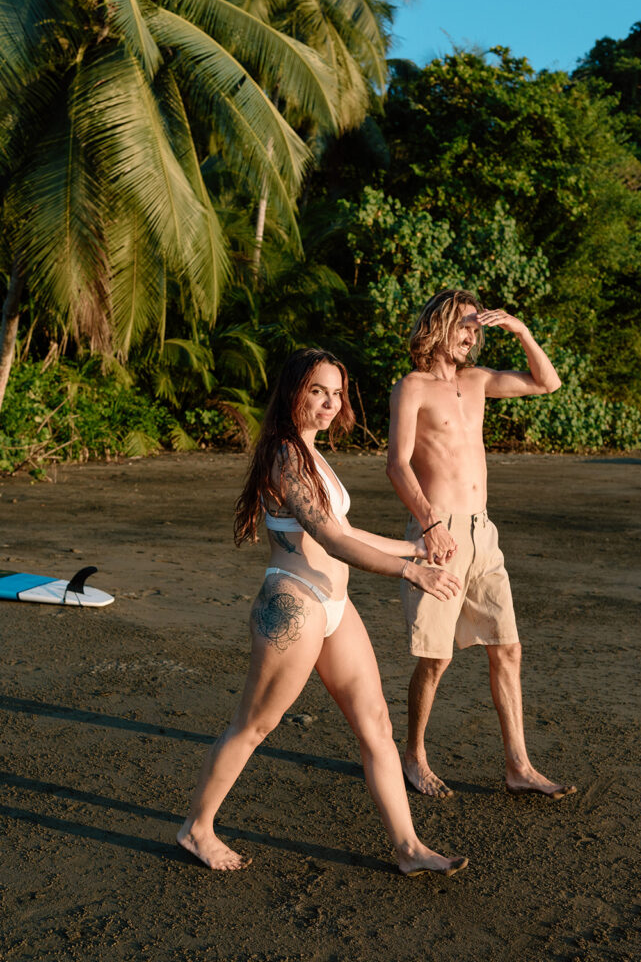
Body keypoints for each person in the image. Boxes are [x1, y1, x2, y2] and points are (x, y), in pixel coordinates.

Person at [177, 348, 468, 875]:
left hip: (334, 606)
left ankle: (408, 848)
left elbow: (346, 529)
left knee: (376, 722)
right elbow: (330, 538)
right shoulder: (285, 456)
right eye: (318, 391)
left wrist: (417, 547)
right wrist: (412, 571)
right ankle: (197, 828)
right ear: (294, 392)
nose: (331, 403)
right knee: (254, 726)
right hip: (294, 604)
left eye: (337, 392)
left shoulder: (311, 454)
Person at [387, 290, 577, 801]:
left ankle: (519, 766)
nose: (472, 336)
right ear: (436, 326)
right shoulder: (413, 388)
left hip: (482, 533)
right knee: (436, 658)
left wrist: (522, 332)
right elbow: (397, 464)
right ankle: (414, 756)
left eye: (477, 328)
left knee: (508, 648)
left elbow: (547, 382)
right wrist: (429, 523)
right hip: (438, 536)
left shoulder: (477, 382)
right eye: (463, 326)